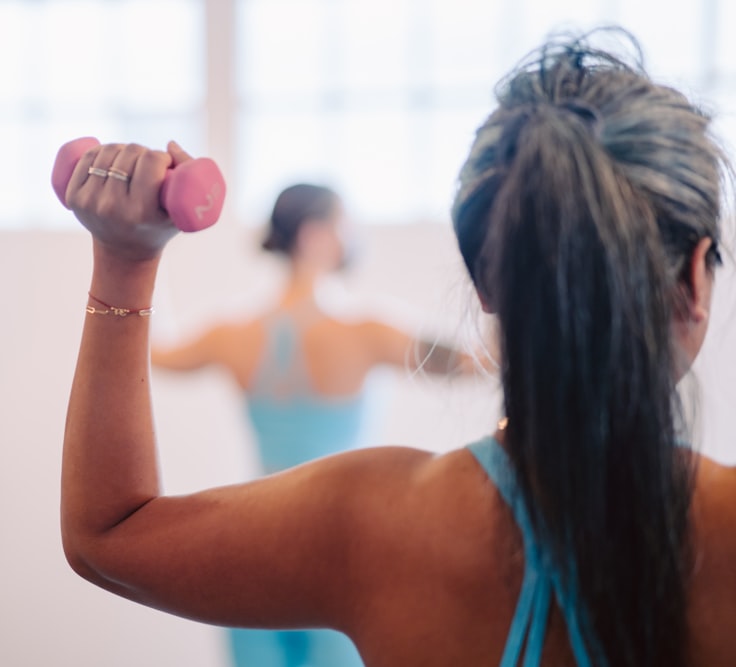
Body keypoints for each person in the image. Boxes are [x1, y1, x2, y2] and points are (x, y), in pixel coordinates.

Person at [59, 32, 736, 667]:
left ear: (486, 281)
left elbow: (110, 531)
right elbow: (468, 362)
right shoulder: (370, 334)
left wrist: (127, 257)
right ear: (694, 275)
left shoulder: (366, 523)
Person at [151, 184, 476, 667]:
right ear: (315, 235)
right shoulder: (365, 332)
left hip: (252, 544)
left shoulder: (230, 335)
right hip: (338, 552)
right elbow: (477, 362)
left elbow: (156, 351)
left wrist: (146, 246)